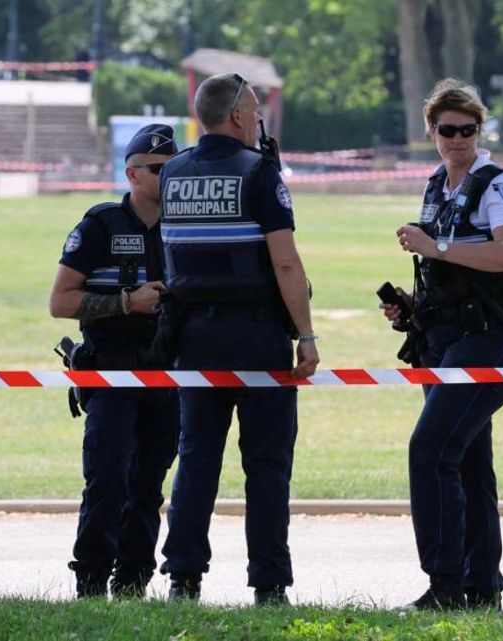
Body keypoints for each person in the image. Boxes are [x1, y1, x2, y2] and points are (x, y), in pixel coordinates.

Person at [157, 73, 318, 606]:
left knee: (196, 458)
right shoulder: (258, 173)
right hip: (256, 336)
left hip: (192, 338)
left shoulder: (174, 172)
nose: (258, 118)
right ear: (237, 117)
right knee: (267, 465)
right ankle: (269, 584)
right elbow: (286, 261)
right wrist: (306, 334)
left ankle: (182, 577)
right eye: (253, 109)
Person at [381, 78, 503, 611]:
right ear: (432, 131)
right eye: (446, 130)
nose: (457, 139)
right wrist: (410, 306)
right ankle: (482, 586)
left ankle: (445, 584)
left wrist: (436, 246)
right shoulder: (435, 186)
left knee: (431, 450)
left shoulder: (496, 185)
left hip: (496, 336)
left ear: (479, 129)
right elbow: (446, 273)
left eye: (467, 130)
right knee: (467, 458)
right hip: (446, 339)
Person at [48, 124, 181, 600]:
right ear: (132, 173)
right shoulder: (101, 225)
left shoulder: (186, 226)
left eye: (174, 169)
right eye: (158, 169)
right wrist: (126, 303)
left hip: (168, 373)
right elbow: (60, 302)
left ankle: (132, 582)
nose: (168, 178)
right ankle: (90, 579)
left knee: (148, 484)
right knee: (107, 480)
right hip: (111, 371)